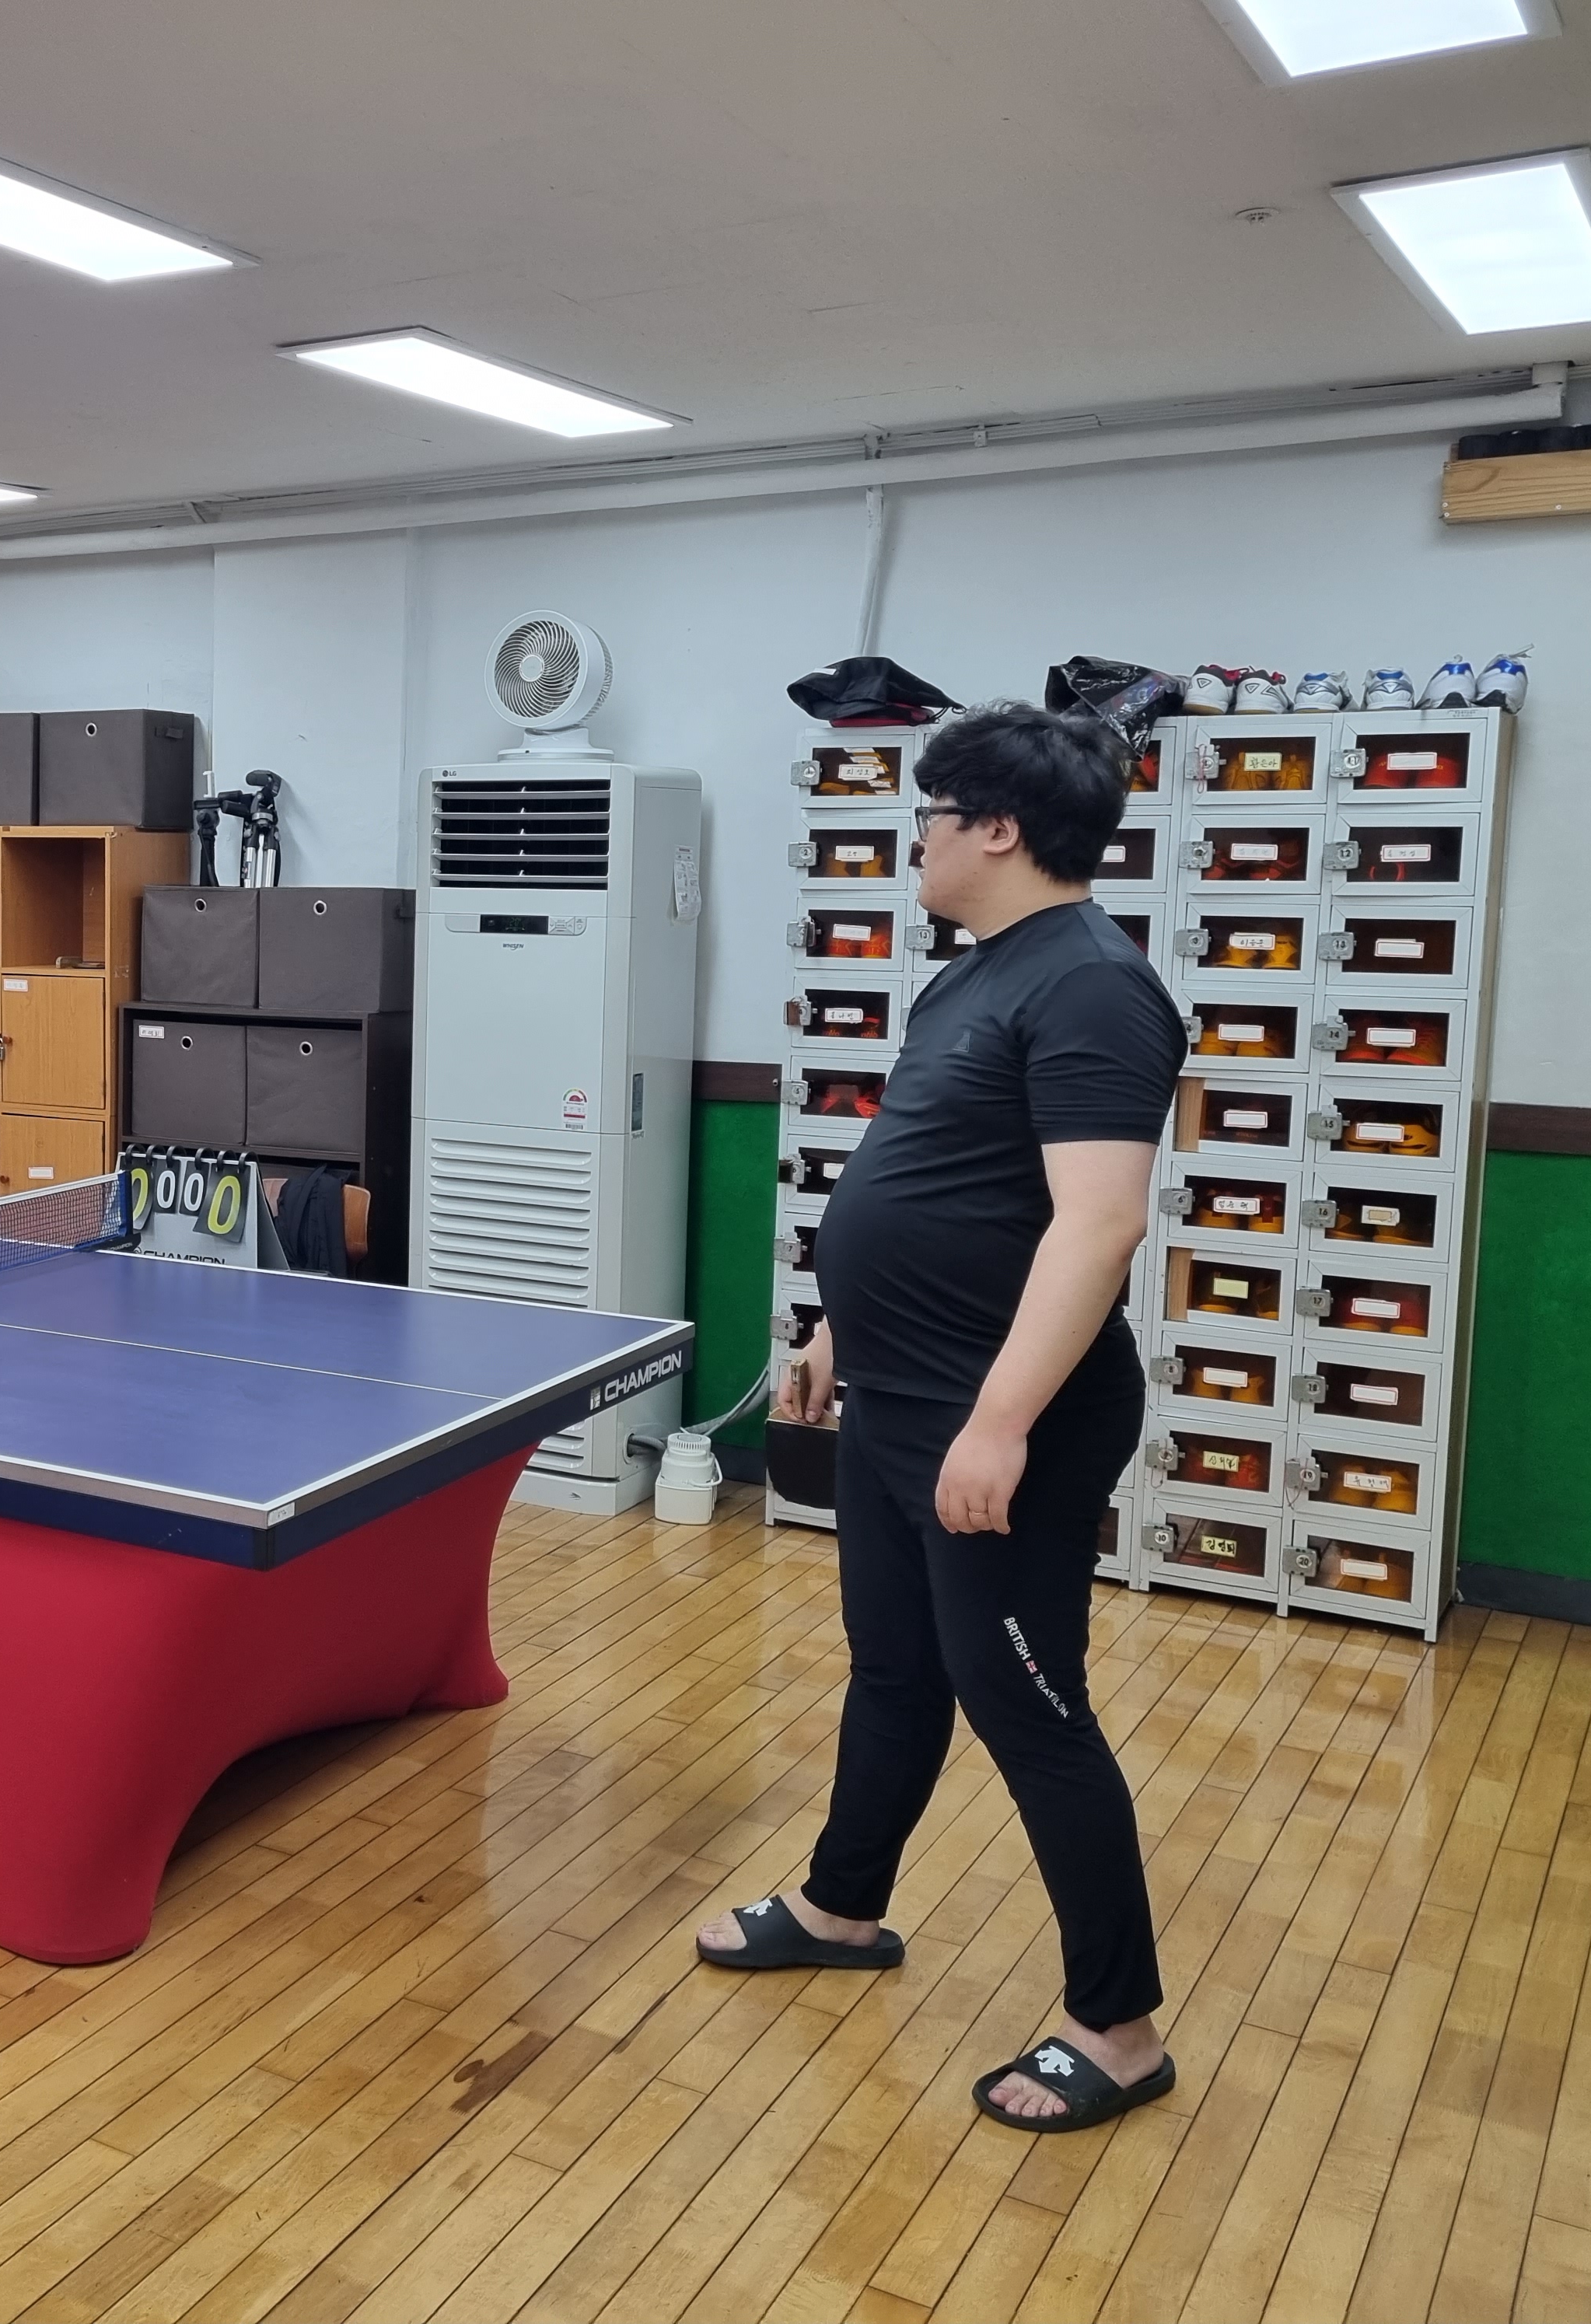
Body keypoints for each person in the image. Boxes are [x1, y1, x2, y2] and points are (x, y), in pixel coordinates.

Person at [695, 703, 1186, 2135]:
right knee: (894, 1670)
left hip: (998, 1420)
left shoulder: (1094, 986)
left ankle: (1117, 2026)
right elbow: (927, 1173)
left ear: (998, 828)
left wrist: (1002, 1423)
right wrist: (835, 1328)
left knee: (1028, 1706)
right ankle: (842, 1905)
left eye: (930, 814)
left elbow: (1099, 1225)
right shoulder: (969, 976)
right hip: (901, 1397)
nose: (913, 838)